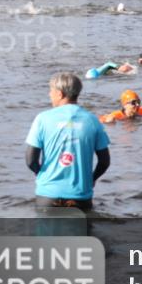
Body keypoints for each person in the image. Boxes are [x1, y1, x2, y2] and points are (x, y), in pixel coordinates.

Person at [25, 72, 111, 211]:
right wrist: (91, 179)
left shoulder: (42, 119)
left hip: (47, 196)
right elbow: (104, 161)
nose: (49, 94)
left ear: (60, 94)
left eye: (51, 91)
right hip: (80, 196)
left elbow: (30, 160)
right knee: (82, 232)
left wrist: (41, 175)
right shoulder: (93, 120)